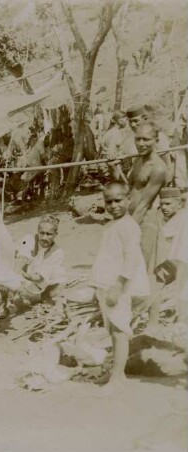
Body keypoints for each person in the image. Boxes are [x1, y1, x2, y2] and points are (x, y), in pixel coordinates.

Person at [91, 182, 150, 390]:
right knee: (113, 331)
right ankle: (115, 373)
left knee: (119, 331)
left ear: (128, 200)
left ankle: (118, 377)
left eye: (118, 200)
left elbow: (131, 257)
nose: (114, 205)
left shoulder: (128, 226)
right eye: (109, 201)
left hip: (121, 287)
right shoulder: (114, 225)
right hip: (109, 285)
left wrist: (118, 284)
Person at [0, 215, 66, 318]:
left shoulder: (57, 252)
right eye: (42, 233)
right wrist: (13, 277)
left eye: (49, 234)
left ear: (55, 234)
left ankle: (41, 299)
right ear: (38, 231)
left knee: (60, 274)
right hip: (21, 278)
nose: (44, 237)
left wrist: (26, 276)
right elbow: (21, 258)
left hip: (39, 283)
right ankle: (5, 302)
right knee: (6, 268)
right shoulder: (29, 239)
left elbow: (39, 277)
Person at [128, 121, 170, 276]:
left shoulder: (158, 168)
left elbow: (144, 204)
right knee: (128, 265)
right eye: (137, 139)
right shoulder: (138, 161)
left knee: (141, 270)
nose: (141, 143)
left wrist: (127, 228)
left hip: (146, 222)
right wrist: (113, 167)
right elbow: (128, 189)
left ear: (156, 140)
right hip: (132, 218)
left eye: (146, 139)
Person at [146, 187, 188, 331]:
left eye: (168, 204)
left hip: (183, 262)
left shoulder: (181, 217)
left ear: (179, 203)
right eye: (162, 204)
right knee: (156, 283)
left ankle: (153, 325)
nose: (164, 207)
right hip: (177, 261)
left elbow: (162, 235)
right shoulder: (178, 216)